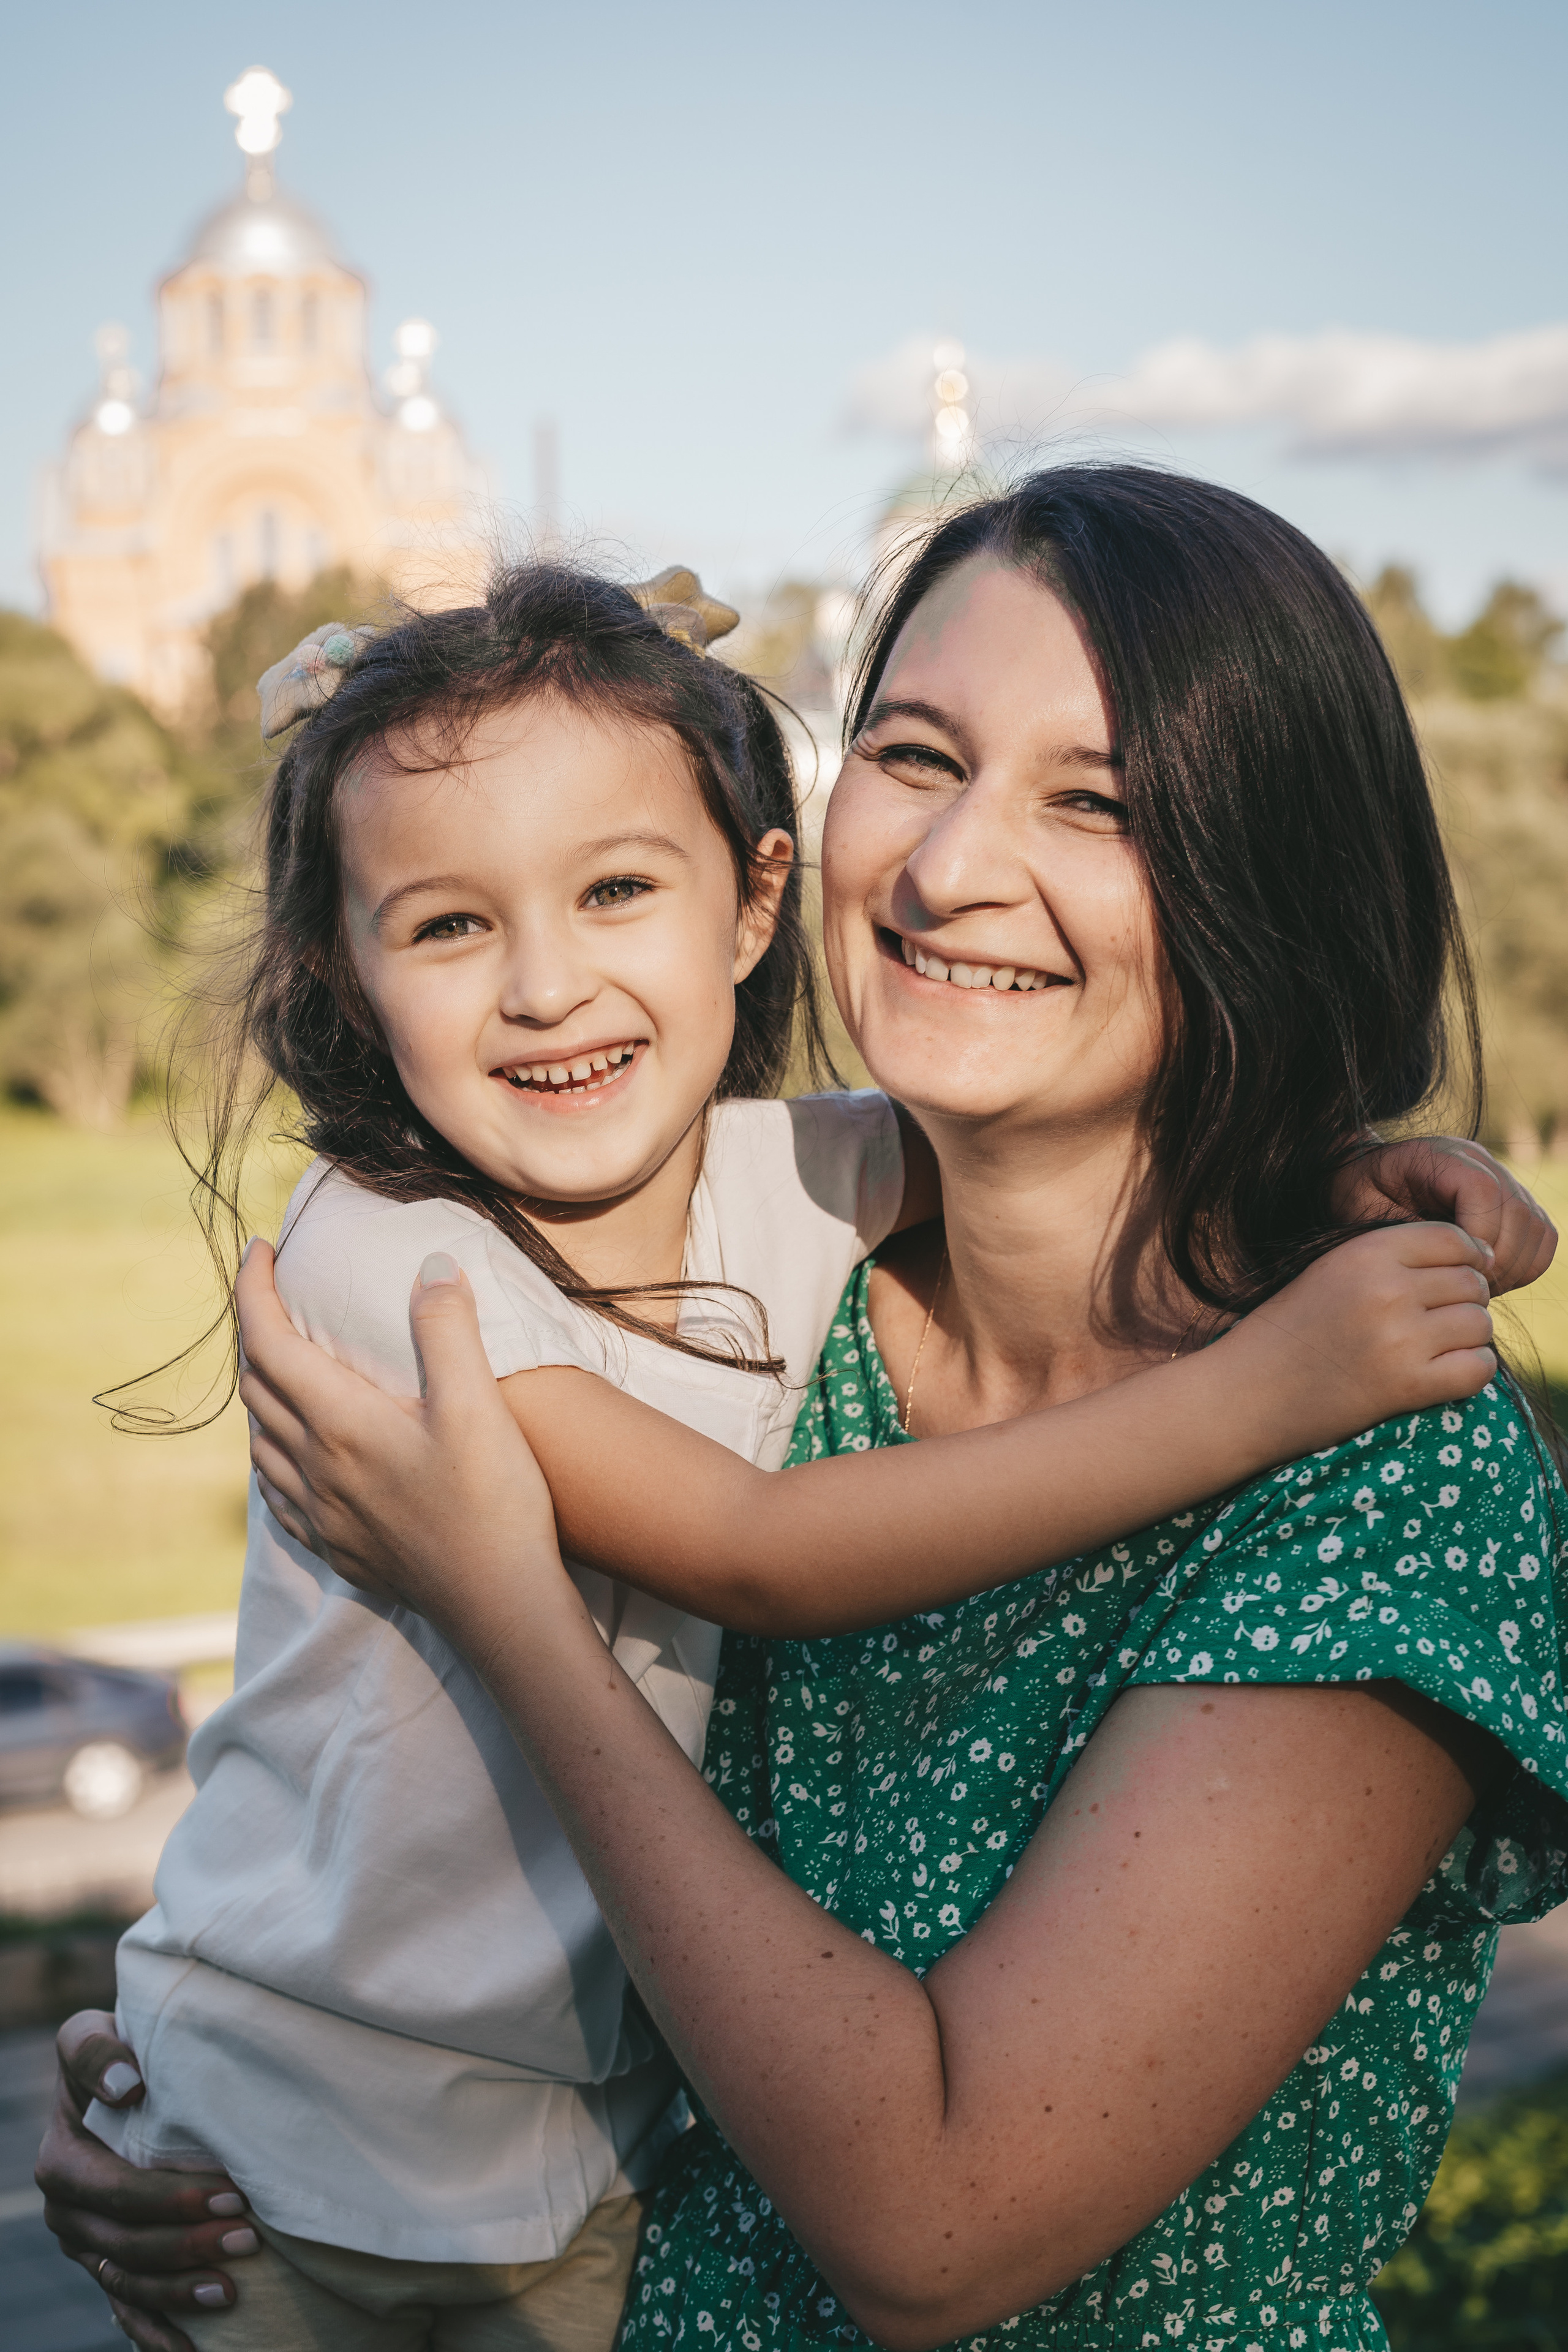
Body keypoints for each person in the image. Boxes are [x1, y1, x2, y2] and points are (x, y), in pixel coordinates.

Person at [39, 472, 1562, 2352]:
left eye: (1093, 800)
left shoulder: (1373, 1471)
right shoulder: (800, 1317)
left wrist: (1341, 1194)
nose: (947, 870)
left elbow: (933, 2230)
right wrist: (209, 2061)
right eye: (917, 759)